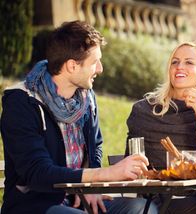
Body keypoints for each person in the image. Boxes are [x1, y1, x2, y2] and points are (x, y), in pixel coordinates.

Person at [0, 21, 157, 214]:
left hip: (80, 199)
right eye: (94, 62)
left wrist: (92, 187)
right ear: (72, 66)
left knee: (142, 208)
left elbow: (95, 145)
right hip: (35, 205)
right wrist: (104, 174)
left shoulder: (86, 98)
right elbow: (37, 173)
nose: (100, 69)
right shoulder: (23, 102)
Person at [126, 42, 196, 213]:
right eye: (175, 62)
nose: (179, 67)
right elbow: (133, 164)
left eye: (189, 62)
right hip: (160, 196)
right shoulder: (144, 111)